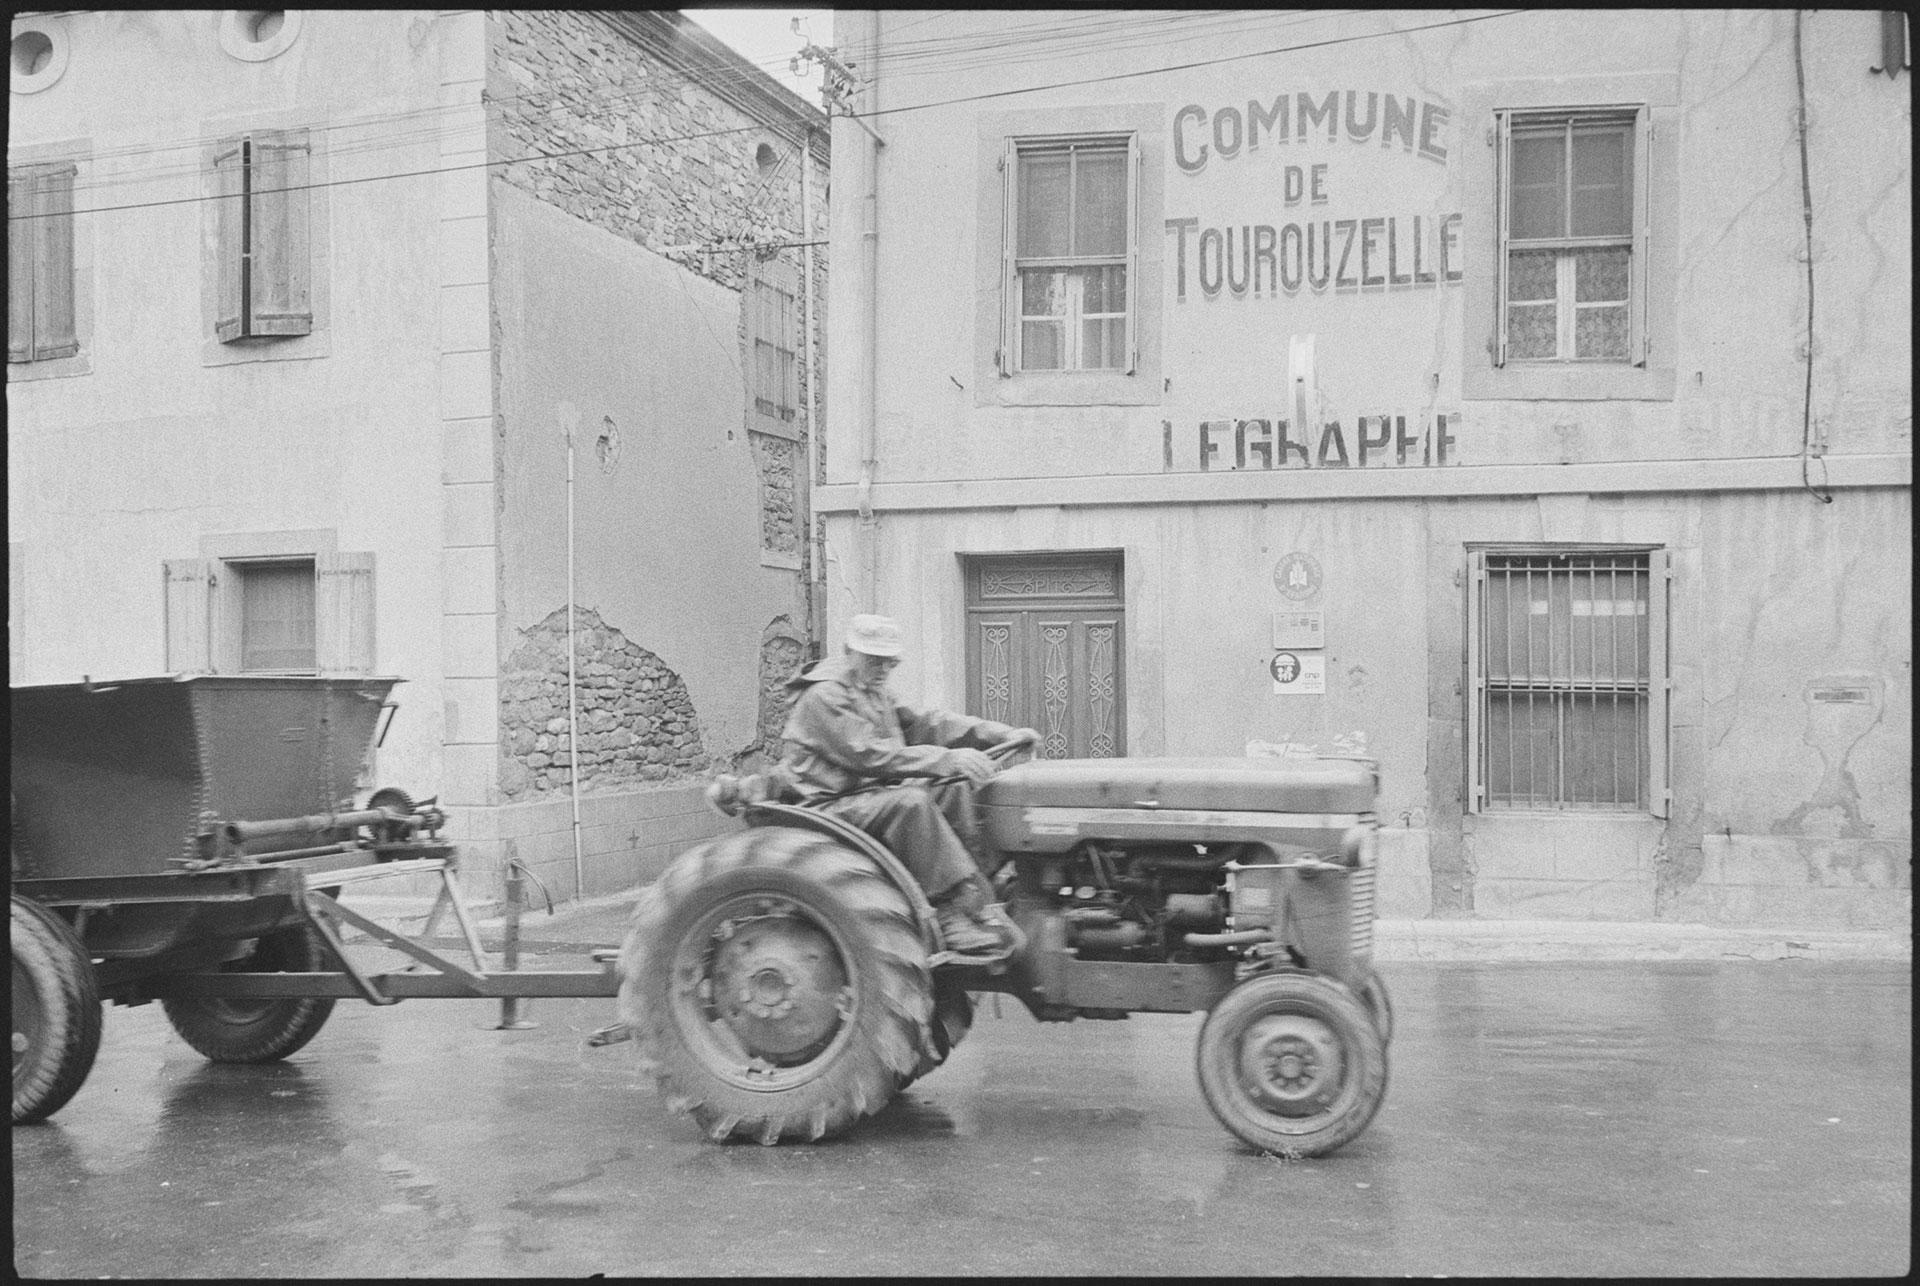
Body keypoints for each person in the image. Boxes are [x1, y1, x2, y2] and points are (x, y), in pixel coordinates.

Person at [770, 614, 1039, 958]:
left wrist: (999, 734)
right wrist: (948, 759)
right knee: (911, 803)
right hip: (827, 805)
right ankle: (947, 912)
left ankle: (979, 889)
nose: (883, 669)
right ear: (848, 651)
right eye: (874, 659)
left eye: (889, 662)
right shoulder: (825, 696)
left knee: (954, 786)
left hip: (863, 797)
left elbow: (928, 724)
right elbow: (869, 755)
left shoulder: (872, 690)